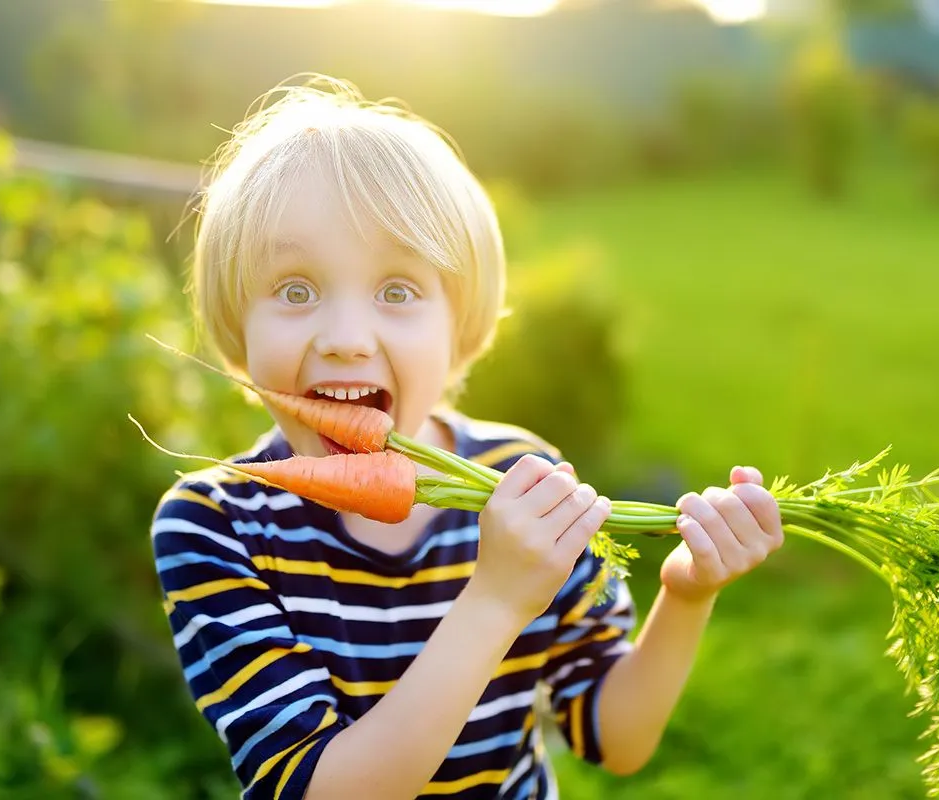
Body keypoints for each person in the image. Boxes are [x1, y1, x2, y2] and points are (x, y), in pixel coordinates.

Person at [149, 74, 784, 800]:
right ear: (238, 325)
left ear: (460, 330)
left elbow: (616, 737)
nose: (348, 340)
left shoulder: (524, 478)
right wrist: (495, 602)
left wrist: (688, 592)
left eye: (397, 290)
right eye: (296, 289)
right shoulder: (214, 523)